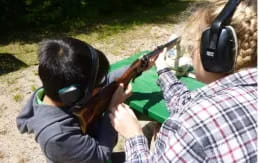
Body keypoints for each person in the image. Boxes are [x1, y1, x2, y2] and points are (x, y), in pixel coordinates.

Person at [109, 0, 257, 162]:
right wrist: (162, 68)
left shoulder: (187, 126)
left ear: (213, 52)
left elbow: (191, 116)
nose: (191, 51)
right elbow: (187, 104)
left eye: (194, 44)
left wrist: (133, 135)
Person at [16, 37, 129, 163]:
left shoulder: (55, 89)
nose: (101, 87)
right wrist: (112, 108)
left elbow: (104, 80)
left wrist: (135, 67)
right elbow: (101, 156)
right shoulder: (57, 137)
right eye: (98, 85)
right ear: (75, 94)